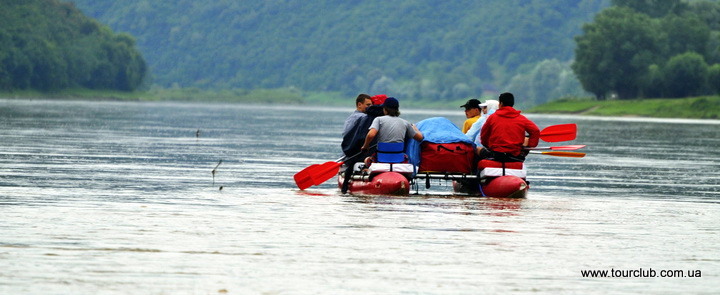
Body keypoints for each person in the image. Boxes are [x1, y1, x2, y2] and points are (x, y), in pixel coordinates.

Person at [479, 92, 539, 162]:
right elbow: (535, 131)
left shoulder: (492, 117)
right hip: (514, 155)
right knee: (526, 138)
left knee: (478, 149)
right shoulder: (522, 118)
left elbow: (483, 136)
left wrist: (488, 146)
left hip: (496, 155)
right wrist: (530, 145)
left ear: (500, 104)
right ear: (512, 104)